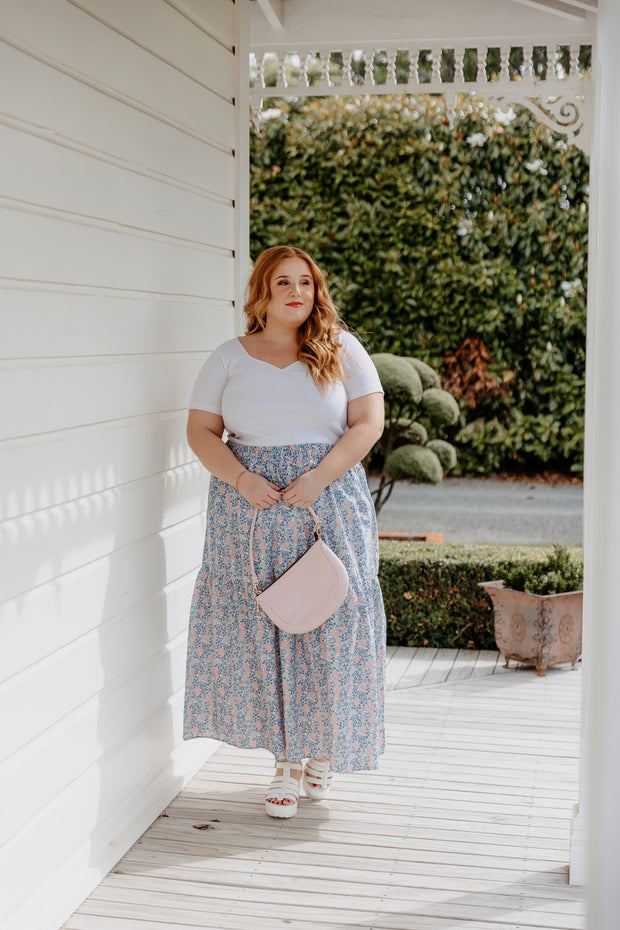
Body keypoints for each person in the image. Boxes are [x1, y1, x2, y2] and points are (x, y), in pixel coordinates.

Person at [183, 245, 386, 818]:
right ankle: (284, 761)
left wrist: (318, 479)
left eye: (306, 282)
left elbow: (368, 423)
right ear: (262, 294)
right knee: (266, 626)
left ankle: (320, 748)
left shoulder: (342, 349)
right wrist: (243, 479)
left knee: (327, 618)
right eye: (283, 283)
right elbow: (200, 432)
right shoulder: (229, 357)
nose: (297, 292)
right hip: (250, 510)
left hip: (325, 502)